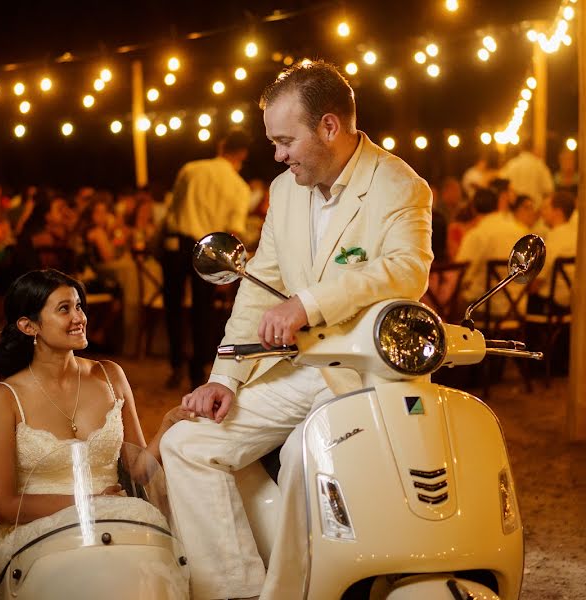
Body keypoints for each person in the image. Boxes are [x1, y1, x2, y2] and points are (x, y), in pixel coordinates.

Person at [159, 60, 433, 600]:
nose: (278, 155)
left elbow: (407, 270)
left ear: (330, 126)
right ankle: (238, 588)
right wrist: (224, 379)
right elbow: (259, 286)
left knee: (298, 460)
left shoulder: (399, 184)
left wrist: (309, 303)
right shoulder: (286, 189)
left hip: (360, 375)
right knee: (187, 443)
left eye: (286, 140)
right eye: (273, 142)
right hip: (295, 371)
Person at [0, 269, 193, 594]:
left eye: (79, 306)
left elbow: (137, 469)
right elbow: (4, 505)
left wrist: (168, 425)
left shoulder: (110, 375)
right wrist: (86, 502)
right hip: (39, 529)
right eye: (64, 309)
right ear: (28, 325)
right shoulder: (5, 397)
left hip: (120, 520)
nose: (79, 317)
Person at [161, 129, 252, 388]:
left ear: (221, 145)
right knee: (204, 310)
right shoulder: (239, 187)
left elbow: (173, 209)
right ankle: (198, 369)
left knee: (173, 308)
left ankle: (176, 364)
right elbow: (234, 229)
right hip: (209, 249)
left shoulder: (191, 169)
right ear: (242, 154)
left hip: (178, 243)